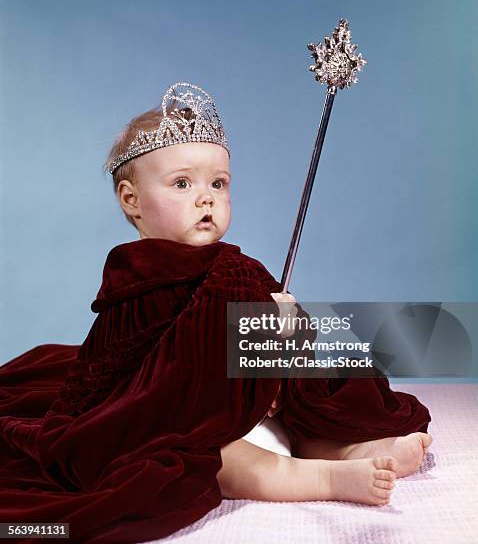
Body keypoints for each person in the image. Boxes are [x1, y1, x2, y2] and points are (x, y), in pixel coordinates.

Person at [0, 83, 432, 542]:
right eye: (182, 183)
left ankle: (355, 451)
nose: (205, 198)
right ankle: (323, 478)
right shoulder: (135, 276)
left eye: (218, 184)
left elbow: (280, 345)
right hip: (185, 416)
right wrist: (235, 368)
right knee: (212, 457)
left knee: (309, 411)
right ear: (131, 200)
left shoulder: (239, 268)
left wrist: (286, 334)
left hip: (258, 404)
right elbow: (144, 376)